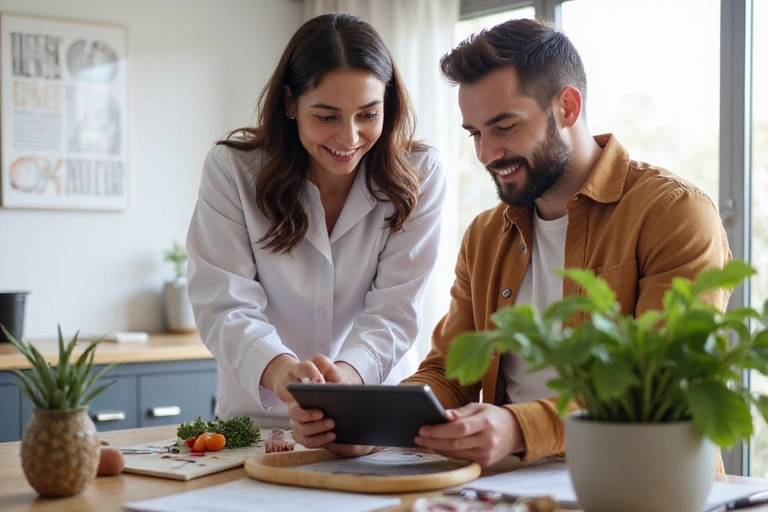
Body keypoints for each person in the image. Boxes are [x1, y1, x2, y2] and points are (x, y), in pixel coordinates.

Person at [288, 17, 731, 467]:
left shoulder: (674, 214)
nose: (486, 155)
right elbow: (450, 375)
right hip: (511, 488)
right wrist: (367, 430)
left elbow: (660, 387)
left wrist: (518, 428)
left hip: (642, 487)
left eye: (504, 127)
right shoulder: (485, 235)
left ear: (568, 108)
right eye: (476, 134)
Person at [186, 13, 446, 428]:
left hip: (371, 415)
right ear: (290, 103)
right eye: (326, 117)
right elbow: (223, 303)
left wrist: (345, 380)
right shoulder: (233, 169)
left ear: (388, 104)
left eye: (368, 114)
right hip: (262, 420)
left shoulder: (421, 172)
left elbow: (395, 309)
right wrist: (282, 373)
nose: (348, 137)